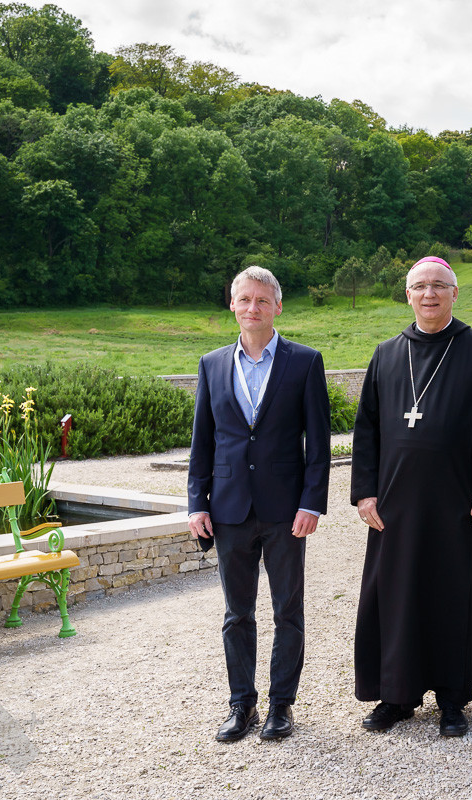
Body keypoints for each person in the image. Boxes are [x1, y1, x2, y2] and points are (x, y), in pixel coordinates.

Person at [351, 256, 472, 738]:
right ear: (408, 295)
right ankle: (396, 695)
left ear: (454, 293)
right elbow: (366, 430)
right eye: (420, 286)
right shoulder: (386, 354)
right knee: (397, 597)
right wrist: (364, 494)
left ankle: (452, 697)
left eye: (439, 286)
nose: (429, 294)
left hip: (457, 502)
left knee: (453, 597)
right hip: (395, 506)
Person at [188, 266, 331, 743]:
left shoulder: (305, 362)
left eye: (262, 300)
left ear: (277, 307)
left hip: (286, 510)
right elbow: (202, 442)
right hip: (228, 509)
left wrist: (312, 503)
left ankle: (280, 706)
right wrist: (196, 503)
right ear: (232, 305)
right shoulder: (211, 364)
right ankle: (241, 704)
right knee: (237, 614)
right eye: (245, 299)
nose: (253, 308)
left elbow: (319, 444)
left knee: (287, 611)